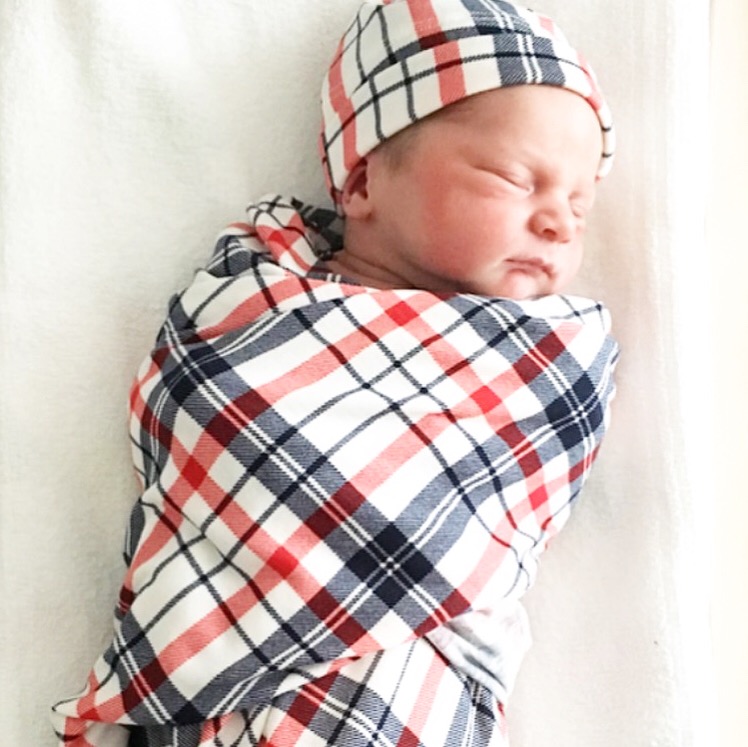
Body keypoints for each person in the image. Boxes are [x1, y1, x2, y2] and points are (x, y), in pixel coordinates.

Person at [52, 1, 618, 745]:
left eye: (580, 204)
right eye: (513, 179)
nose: (560, 222)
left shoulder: (546, 358)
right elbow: (195, 406)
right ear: (362, 184)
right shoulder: (249, 302)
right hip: (215, 674)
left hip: (408, 680)